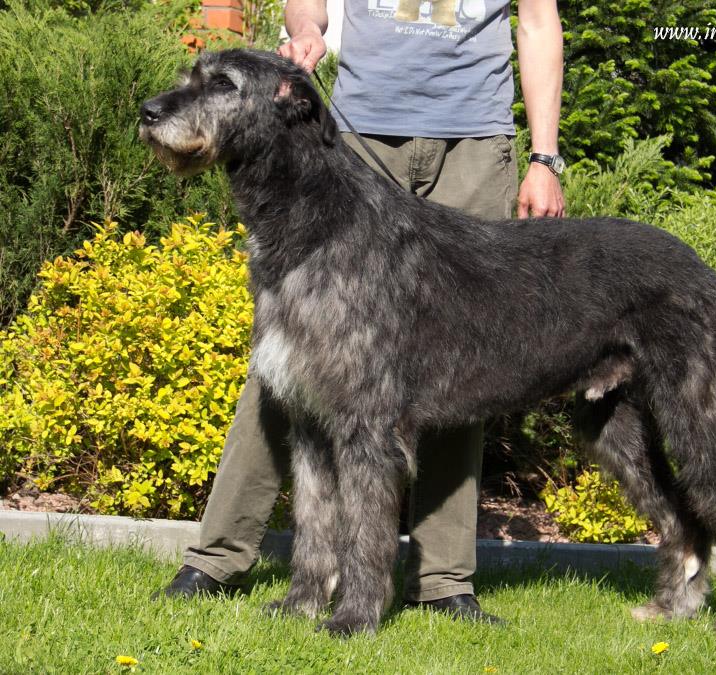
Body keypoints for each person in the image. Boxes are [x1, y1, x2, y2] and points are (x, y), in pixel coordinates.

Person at [154, 0, 565, 623]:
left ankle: (443, 581)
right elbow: (308, 5)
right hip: (359, 133)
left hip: (475, 144)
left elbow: (537, 23)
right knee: (289, 366)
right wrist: (306, 32)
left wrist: (544, 157)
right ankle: (218, 556)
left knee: (456, 366)